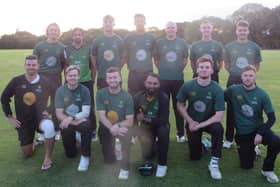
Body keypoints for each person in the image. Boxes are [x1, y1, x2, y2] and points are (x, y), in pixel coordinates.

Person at [225, 65, 280, 184]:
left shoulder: (262, 94)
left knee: (276, 141)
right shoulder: (233, 89)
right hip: (243, 133)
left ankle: (267, 170)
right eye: (245, 75)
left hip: (258, 130)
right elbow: (219, 96)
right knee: (246, 166)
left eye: (251, 75)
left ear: (255, 77)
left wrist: (260, 133)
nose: (248, 78)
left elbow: (272, 118)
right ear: (241, 77)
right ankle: (253, 150)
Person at [1, 55, 56, 170]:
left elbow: (56, 96)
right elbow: (4, 97)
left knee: (50, 126)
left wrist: (49, 110)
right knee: (27, 154)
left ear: (38, 66)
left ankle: (48, 158)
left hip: (41, 117)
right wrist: (9, 116)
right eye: (29, 65)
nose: (31, 67)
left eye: (34, 65)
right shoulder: (16, 81)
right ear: (25, 66)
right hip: (24, 121)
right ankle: (33, 143)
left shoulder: (45, 81)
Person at [177, 55, 224, 180]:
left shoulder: (217, 88)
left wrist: (200, 125)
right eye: (201, 67)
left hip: (209, 121)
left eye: (207, 67)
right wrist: (190, 121)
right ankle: (204, 144)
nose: (204, 69)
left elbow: (219, 116)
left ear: (212, 70)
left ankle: (214, 162)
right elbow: (180, 105)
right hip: (193, 122)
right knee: (194, 157)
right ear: (196, 69)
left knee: (218, 129)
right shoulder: (188, 85)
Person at [223, 20, 262, 149]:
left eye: (244, 30)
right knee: (231, 110)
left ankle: (252, 138)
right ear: (236, 31)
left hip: (249, 81)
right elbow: (227, 64)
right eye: (240, 30)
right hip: (233, 79)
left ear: (248, 31)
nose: (242, 32)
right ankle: (228, 139)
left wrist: (249, 76)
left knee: (251, 109)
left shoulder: (254, 47)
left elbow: (257, 65)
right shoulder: (229, 46)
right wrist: (237, 74)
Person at [96, 67, 134, 180]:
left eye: (115, 77)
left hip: (122, 126)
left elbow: (130, 121)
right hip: (107, 126)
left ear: (120, 78)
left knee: (126, 135)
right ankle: (114, 146)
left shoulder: (127, 96)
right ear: (106, 80)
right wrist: (112, 127)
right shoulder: (101, 93)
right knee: (109, 160)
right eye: (110, 78)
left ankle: (125, 168)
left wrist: (117, 126)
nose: (112, 80)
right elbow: (102, 116)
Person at [153, 21, 188, 143]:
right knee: (163, 107)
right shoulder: (160, 42)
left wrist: (178, 69)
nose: (171, 29)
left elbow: (184, 59)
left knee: (178, 106)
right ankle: (161, 132)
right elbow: (156, 59)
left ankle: (180, 134)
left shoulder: (182, 42)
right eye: (168, 27)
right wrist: (163, 70)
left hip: (178, 79)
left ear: (176, 29)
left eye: (173, 27)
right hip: (163, 79)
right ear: (165, 29)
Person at [33, 23, 66, 142]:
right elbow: (34, 62)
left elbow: (63, 64)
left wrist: (56, 72)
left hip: (56, 77)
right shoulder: (40, 46)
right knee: (40, 104)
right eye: (51, 30)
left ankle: (57, 130)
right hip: (42, 77)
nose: (54, 32)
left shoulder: (62, 47)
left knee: (56, 104)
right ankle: (41, 132)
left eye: (56, 30)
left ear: (59, 32)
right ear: (47, 32)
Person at [55, 65, 92, 171]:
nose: (72, 78)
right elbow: (59, 114)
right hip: (68, 123)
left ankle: (85, 156)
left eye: (75, 75)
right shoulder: (60, 91)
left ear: (79, 77)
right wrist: (73, 122)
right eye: (70, 75)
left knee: (86, 125)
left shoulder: (84, 90)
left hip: (77, 120)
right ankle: (76, 136)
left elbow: (86, 112)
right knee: (70, 154)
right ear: (66, 77)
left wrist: (71, 118)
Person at [134, 73, 170, 178]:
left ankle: (162, 164)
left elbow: (163, 120)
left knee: (164, 131)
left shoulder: (163, 97)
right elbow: (134, 116)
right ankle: (154, 146)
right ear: (145, 83)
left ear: (159, 84)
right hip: (146, 127)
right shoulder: (137, 97)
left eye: (155, 83)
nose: (152, 86)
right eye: (149, 83)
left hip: (160, 125)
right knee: (148, 155)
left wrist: (145, 118)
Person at [65, 28, 97, 141]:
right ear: (72, 37)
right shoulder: (67, 49)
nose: (77, 37)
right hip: (72, 82)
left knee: (90, 106)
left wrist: (92, 79)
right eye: (75, 35)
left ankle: (92, 130)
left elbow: (93, 66)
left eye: (79, 35)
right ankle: (73, 128)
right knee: (72, 105)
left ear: (82, 36)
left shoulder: (88, 48)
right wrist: (66, 79)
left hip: (86, 81)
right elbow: (66, 66)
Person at [124, 13, 155, 96]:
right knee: (133, 97)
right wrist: (131, 66)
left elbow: (153, 54)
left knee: (148, 97)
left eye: (141, 21)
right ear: (134, 23)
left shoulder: (151, 37)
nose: (139, 23)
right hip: (134, 74)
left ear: (145, 22)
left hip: (148, 73)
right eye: (137, 21)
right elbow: (126, 56)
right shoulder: (128, 38)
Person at [91, 15, 125, 89]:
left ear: (114, 23)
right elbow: (93, 56)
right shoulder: (97, 40)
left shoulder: (119, 40)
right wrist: (97, 68)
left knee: (117, 99)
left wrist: (118, 67)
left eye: (110, 22)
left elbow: (123, 56)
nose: (108, 24)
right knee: (102, 98)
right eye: (105, 22)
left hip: (116, 76)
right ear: (103, 24)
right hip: (102, 76)